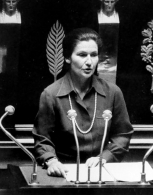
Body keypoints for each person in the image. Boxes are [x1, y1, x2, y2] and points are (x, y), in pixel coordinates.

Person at [32, 28, 133, 177]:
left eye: (93, 55)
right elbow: (42, 139)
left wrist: (105, 157)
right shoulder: (51, 94)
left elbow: (123, 135)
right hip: (64, 172)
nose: (89, 62)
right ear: (67, 58)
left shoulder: (113, 92)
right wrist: (51, 161)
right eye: (82, 55)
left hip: (101, 171)